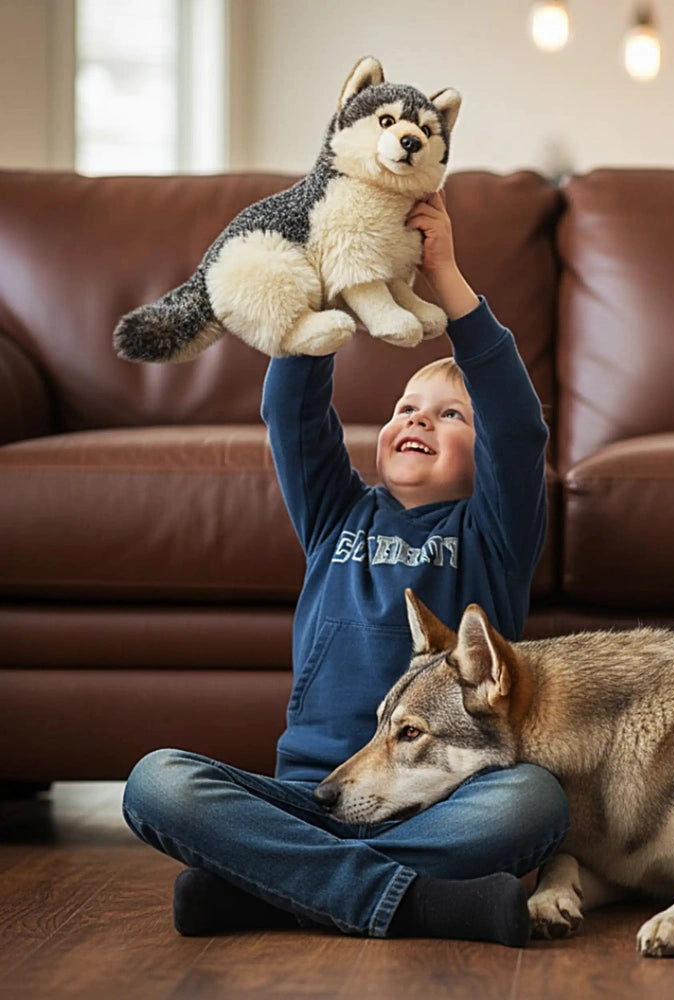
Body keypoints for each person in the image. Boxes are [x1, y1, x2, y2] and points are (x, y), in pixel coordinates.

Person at [121, 192, 569, 949]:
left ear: (483, 451)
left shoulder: (492, 534)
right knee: (155, 780)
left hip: (434, 800)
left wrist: (446, 279)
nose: (417, 418)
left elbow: (519, 428)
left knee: (533, 801)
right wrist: (331, 274)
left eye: (450, 415)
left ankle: (271, 889)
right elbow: (292, 412)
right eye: (405, 406)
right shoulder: (338, 513)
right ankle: (414, 903)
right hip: (308, 795)